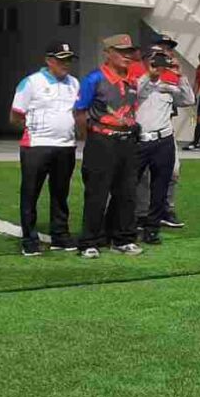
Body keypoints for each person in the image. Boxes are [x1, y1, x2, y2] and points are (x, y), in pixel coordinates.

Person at [74, 34, 144, 259]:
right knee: (97, 193)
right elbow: (80, 111)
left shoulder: (132, 80)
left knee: (127, 193)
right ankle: (89, 241)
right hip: (102, 142)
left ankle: (123, 238)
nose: (126, 56)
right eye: (121, 52)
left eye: (129, 52)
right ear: (108, 53)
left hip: (127, 142)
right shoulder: (94, 79)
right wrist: (89, 137)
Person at [10, 42, 80, 256]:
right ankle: (29, 239)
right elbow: (16, 115)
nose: (65, 64)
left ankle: (60, 235)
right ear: (49, 60)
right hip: (36, 146)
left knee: (60, 193)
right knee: (30, 193)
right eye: (61, 60)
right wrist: (35, 130)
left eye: (68, 60)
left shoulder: (74, 83)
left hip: (65, 146)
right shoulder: (32, 82)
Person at [134, 50, 195, 245]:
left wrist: (180, 76)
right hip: (140, 140)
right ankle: (127, 224)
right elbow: (133, 94)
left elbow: (189, 100)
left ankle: (152, 229)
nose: (158, 66)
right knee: (129, 183)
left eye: (161, 62)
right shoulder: (138, 83)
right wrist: (149, 75)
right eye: (154, 61)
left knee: (160, 186)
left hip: (164, 141)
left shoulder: (168, 88)